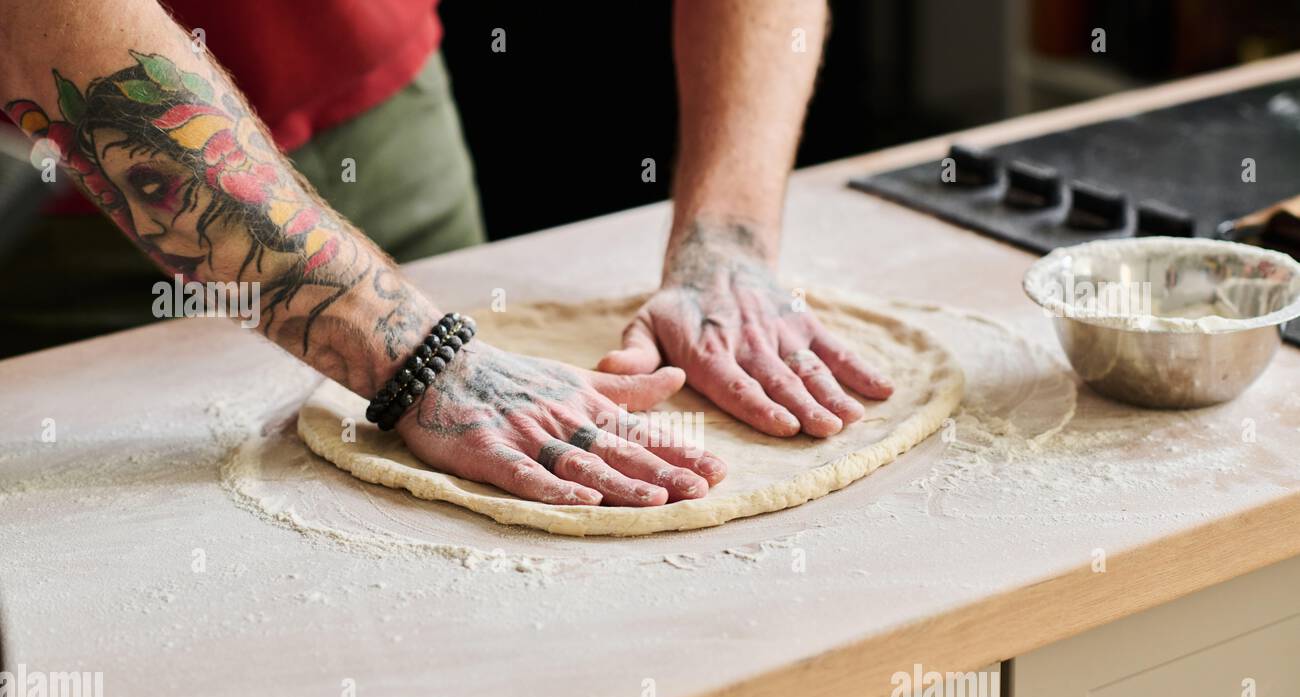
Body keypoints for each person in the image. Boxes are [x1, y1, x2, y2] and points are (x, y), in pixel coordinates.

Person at [0, 0, 892, 507]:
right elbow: (52, 37)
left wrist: (727, 239)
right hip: (65, 179)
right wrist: (420, 356)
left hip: (373, 103)